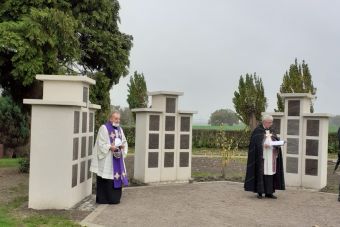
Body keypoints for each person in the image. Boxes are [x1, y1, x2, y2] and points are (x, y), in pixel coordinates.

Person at [90, 111, 128, 204]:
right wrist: (110, 147)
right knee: (106, 177)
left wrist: (122, 146)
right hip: (107, 159)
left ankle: (114, 198)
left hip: (117, 158)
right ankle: (104, 199)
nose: (118, 120)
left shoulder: (120, 129)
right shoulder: (104, 128)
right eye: (116, 118)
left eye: (119, 119)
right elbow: (101, 143)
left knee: (116, 176)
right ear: (110, 118)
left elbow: (124, 141)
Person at [244, 115, 285, 199]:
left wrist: (277, 143)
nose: (271, 124)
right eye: (269, 122)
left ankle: (269, 193)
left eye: (271, 122)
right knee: (261, 172)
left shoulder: (272, 130)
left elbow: (275, 140)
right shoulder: (257, 131)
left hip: (271, 155)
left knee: (270, 173)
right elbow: (255, 144)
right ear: (264, 122)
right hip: (261, 157)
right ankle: (259, 192)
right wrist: (263, 145)